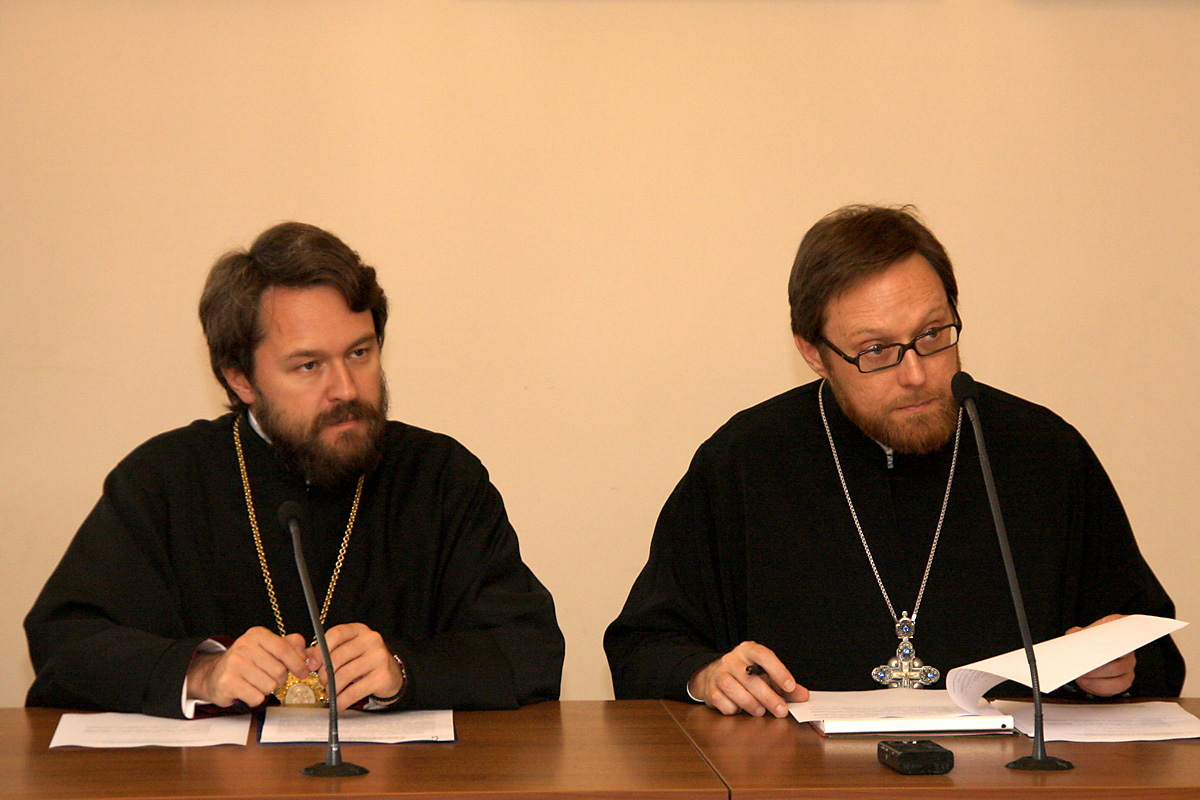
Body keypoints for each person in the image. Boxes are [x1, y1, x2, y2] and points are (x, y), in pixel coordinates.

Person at [605, 204, 1184, 718]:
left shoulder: (1044, 454)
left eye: (932, 335)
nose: (915, 374)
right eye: (875, 350)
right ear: (813, 353)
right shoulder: (745, 460)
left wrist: (1117, 669)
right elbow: (644, 648)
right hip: (801, 785)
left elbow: (1154, 652)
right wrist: (707, 676)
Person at [26, 222, 564, 718]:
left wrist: (404, 671)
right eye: (309, 365)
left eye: (360, 353)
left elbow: (531, 648)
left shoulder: (440, 478)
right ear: (240, 379)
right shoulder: (164, 481)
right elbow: (63, 641)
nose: (346, 389)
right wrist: (201, 673)